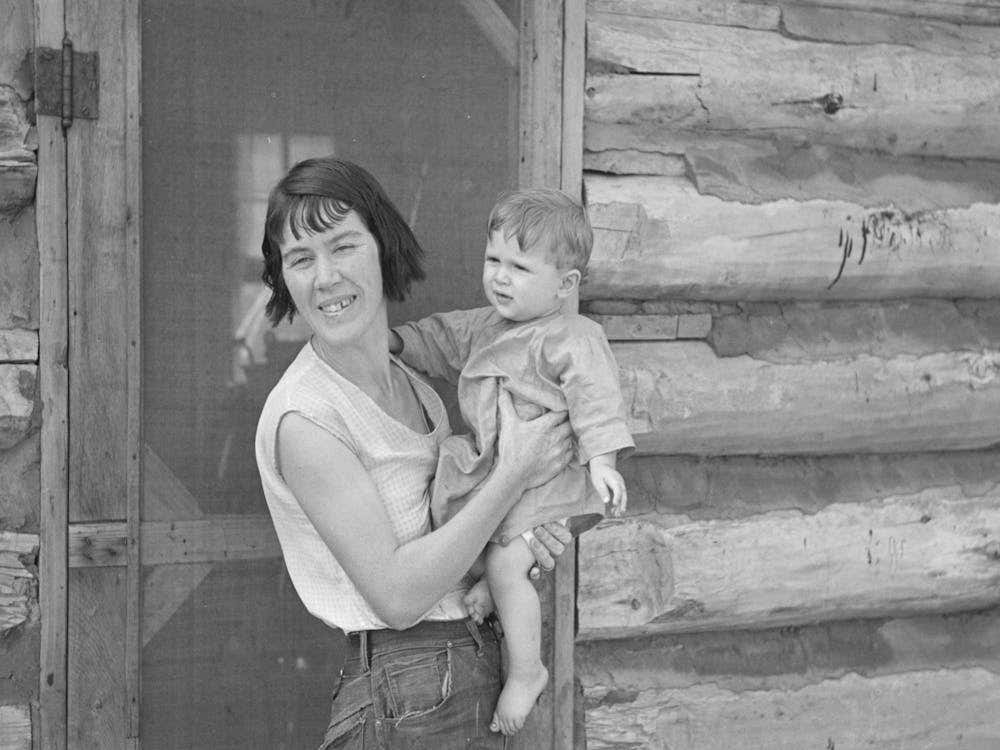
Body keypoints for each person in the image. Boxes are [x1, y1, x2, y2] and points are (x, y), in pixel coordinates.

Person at [254, 157, 575, 749]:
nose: (325, 277)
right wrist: (512, 477)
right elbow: (399, 596)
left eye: (343, 246)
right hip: (405, 693)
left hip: (462, 669)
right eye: (301, 259)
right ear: (284, 281)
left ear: (382, 246)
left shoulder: (416, 385)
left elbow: (444, 542)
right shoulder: (307, 417)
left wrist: (520, 532)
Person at [389, 188, 635, 735]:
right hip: (502, 471)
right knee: (452, 488)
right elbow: (441, 338)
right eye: (493, 260)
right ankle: (489, 589)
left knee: (505, 561)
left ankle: (528, 671)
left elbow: (597, 402)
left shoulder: (573, 337)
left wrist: (603, 460)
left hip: (552, 483)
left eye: (520, 267)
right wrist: (395, 343)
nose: (500, 276)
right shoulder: (486, 327)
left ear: (565, 285)